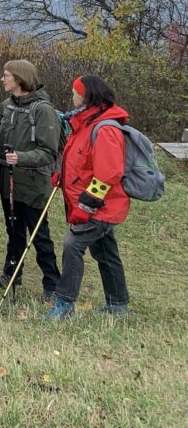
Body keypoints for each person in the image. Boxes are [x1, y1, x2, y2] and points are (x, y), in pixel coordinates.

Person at [47, 75, 131, 318]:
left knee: (72, 245)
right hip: (92, 203)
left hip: (100, 207)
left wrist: (86, 205)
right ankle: (118, 305)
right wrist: (62, 176)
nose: (71, 96)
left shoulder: (104, 128)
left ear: (86, 96)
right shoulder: (85, 122)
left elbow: (108, 173)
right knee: (105, 251)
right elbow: (82, 161)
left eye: (74, 92)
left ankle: (64, 303)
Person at [0, 59, 62, 301]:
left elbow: (49, 152)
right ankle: (11, 274)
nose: (2, 78)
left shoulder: (43, 110)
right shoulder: (6, 106)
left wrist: (19, 158)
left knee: (39, 236)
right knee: (13, 231)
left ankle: (52, 285)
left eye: (6, 74)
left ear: (19, 78)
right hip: (8, 182)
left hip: (34, 184)